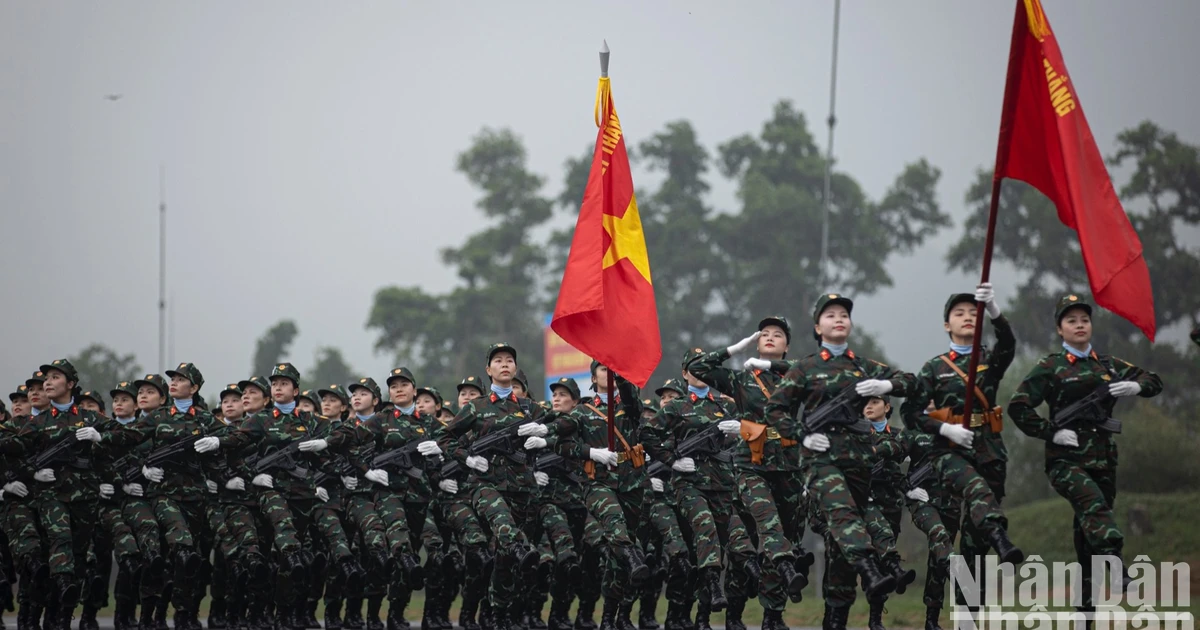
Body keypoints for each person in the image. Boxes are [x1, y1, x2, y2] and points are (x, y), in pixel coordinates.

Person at [764, 293, 916, 630]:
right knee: (842, 512)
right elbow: (774, 409)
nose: (838, 319)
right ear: (818, 326)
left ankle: (836, 617)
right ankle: (870, 567)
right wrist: (802, 433)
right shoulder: (805, 367)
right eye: (830, 314)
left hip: (858, 458)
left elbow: (912, 382)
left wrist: (886, 383)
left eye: (844, 314)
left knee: (839, 541)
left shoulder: (863, 366)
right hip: (820, 458)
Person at [1009, 294, 1163, 617]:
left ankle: (1085, 614)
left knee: (1086, 535)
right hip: (1066, 462)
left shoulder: (1106, 365)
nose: (1079, 325)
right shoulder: (1050, 367)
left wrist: (1136, 387)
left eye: (1084, 320)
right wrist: (1050, 431)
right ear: (1059, 329)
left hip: (1104, 460)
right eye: (1071, 321)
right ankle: (1117, 565)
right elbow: (1018, 406)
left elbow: (1153, 380)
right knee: (1094, 507)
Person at [899, 285, 1025, 624]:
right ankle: (1000, 534)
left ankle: (969, 616)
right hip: (949, 452)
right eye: (960, 314)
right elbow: (910, 412)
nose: (968, 318)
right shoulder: (934, 369)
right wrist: (943, 428)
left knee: (974, 546)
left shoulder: (988, 361)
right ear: (946, 325)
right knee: (975, 491)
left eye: (974, 313)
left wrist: (995, 309)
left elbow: (1009, 345)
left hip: (988, 451)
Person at [688, 316, 811, 630]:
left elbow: (817, 372)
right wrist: (733, 349)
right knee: (767, 529)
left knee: (783, 536)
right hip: (750, 466)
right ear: (756, 342)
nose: (770, 338)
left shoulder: (796, 377)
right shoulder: (742, 380)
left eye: (778, 334)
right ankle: (735, 614)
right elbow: (699, 369)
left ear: (787, 345)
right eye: (764, 334)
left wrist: (772, 368)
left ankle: (772, 615)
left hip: (789, 466)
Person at [438, 344, 547, 630]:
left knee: (503, 558)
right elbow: (445, 439)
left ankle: (499, 613)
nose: (504, 365)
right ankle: (522, 548)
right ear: (488, 370)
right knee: (502, 522)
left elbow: (566, 424)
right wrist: (469, 459)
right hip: (485, 485)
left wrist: (545, 434)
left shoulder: (529, 407)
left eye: (509, 360)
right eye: (497, 361)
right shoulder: (476, 407)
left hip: (522, 486)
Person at [647, 349, 757, 630]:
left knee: (716, 543)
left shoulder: (728, 406)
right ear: (684, 373)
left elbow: (757, 433)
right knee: (705, 530)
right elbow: (647, 434)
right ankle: (713, 587)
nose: (698, 372)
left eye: (703, 367)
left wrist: (741, 430)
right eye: (692, 368)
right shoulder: (676, 407)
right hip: (688, 484)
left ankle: (703, 612)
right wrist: (672, 459)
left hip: (721, 484)